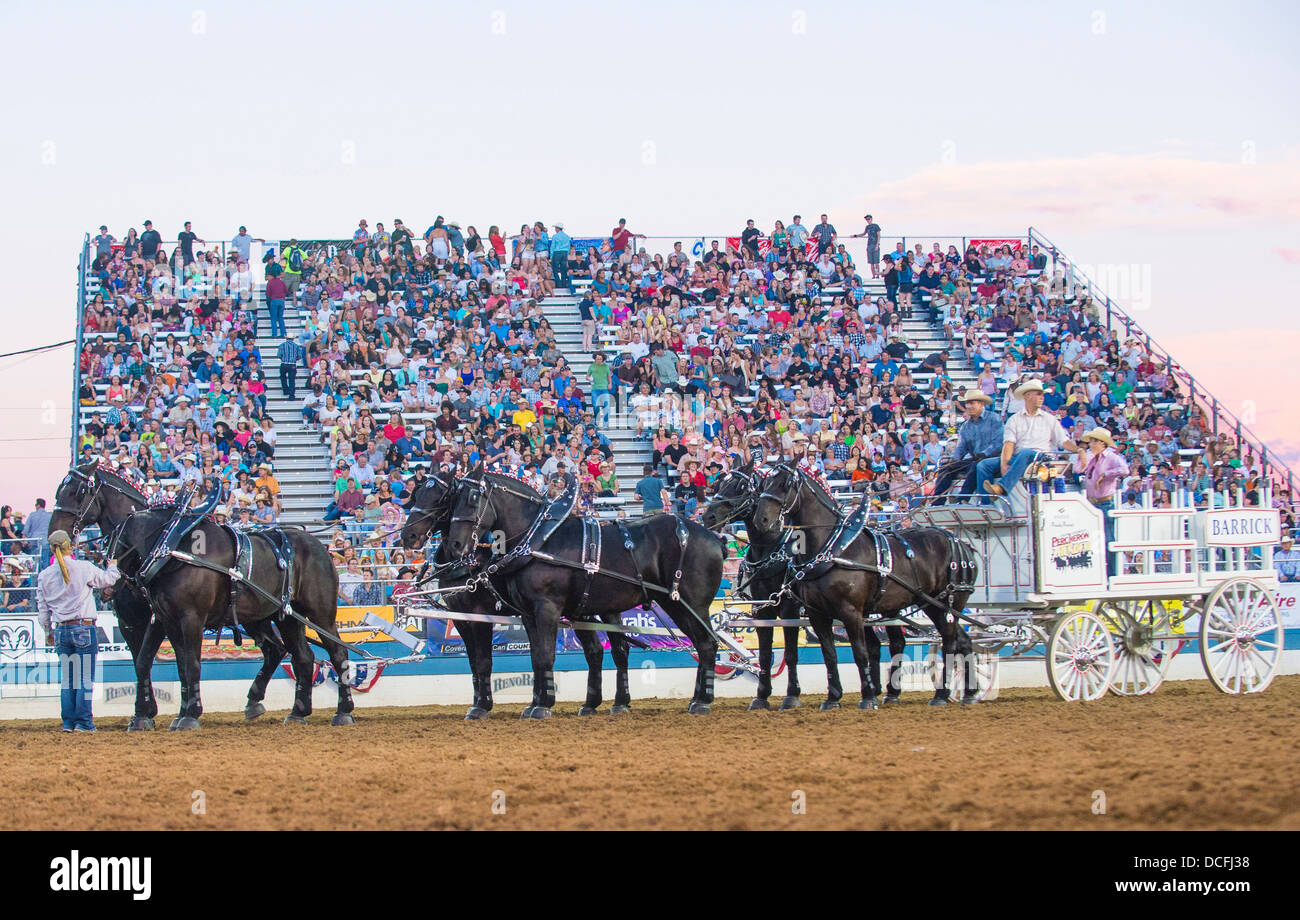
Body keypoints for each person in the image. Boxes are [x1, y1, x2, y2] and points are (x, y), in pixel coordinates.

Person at [36, 530, 121, 733]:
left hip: (61, 630)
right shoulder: (83, 567)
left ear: (51, 548)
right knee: (84, 679)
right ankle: (83, 722)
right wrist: (113, 566)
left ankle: (69, 722)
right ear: (70, 546)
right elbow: (109, 579)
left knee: (68, 679)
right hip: (83, 627)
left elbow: (42, 611)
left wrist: (48, 631)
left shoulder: (44, 575)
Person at [975, 378, 1079, 500]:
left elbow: (1063, 441)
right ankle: (986, 504)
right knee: (983, 465)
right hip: (1020, 457)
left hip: (1041, 457)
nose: (1042, 398)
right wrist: (1004, 464)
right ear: (1028, 396)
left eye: (1042, 395)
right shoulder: (1014, 419)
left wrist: (1078, 449)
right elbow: (1008, 444)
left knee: (1025, 452)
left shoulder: (1049, 419)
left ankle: (1002, 487)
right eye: (1039, 394)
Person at [1072, 428, 1130, 576]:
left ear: (1102, 443)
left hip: (1104, 502)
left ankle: (1112, 574)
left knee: (1108, 540)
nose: (1091, 444)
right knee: (1094, 540)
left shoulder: (1111, 457)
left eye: (1094, 441)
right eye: (1091, 441)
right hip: (1092, 503)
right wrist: (1081, 456)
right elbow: (1078, 469)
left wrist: (1107, 474)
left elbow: (1125, 470)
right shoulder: (1092, 457)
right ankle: (1101, 574)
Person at [931, 391, 1003, 502]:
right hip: (974, 459)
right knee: (945, 468)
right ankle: (937, 501)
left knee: (976, 465)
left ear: (981, 404)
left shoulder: (994, 419)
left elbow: (998, 443)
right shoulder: (965, 426)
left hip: (992, 459)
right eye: (967, 403)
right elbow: (961, 447)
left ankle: (963, 499)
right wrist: (953, 459)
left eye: (972, 403)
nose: (968, 406)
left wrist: (984, 453)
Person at [25, 498, 51, 567]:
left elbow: (26, 530)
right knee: (45, 564)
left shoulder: (32, 515)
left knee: (33, 564)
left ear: (38, 505)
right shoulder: (49, 516)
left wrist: (28, 539)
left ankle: (34, 577)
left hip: (34, 542)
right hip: (45, 542)